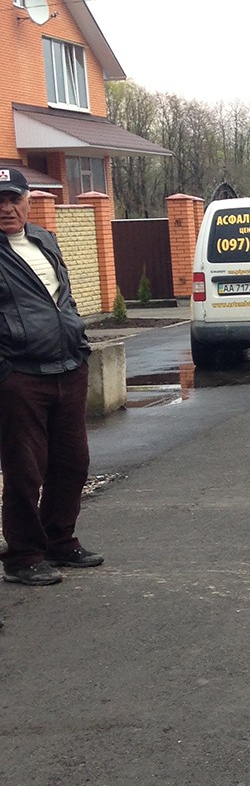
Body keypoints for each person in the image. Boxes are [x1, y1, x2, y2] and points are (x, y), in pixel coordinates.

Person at [0, 168, 102, 585]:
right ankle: (23, 556)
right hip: (20, 375)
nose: (6, 208)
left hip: (68, 368)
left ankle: (60, 540)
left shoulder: (45, 240)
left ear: (27, 201)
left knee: (72, 463)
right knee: (25, 470)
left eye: (13, 199)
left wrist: (79, 344)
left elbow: (64, 297)